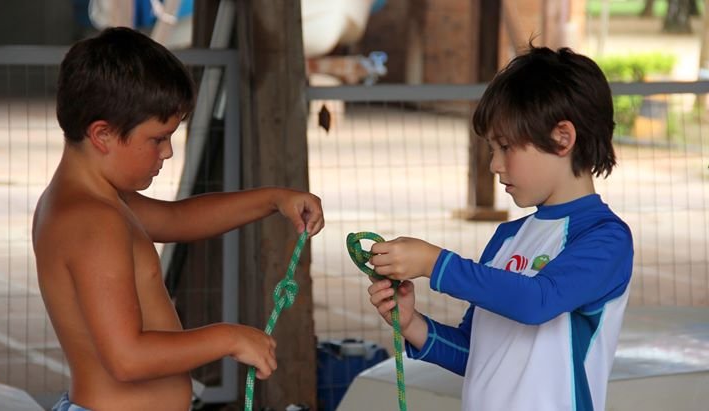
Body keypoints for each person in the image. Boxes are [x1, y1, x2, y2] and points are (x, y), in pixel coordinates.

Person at [32, 27, 324, 411]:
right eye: (157, 138)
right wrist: (228, 338)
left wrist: (273, 200)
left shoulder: (95, 201)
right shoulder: (92, 221)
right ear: (102, 134)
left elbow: (177, 219)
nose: (167, 152)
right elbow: (127, 358)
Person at [366, 43, 633, 411]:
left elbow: (538, 301)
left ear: (562, 138)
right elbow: (476, 354)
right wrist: (412, 323)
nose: (494, 164)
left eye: (506, 147)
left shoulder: (605, 239)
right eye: (492, 148)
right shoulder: (508, 237)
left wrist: (434, 263)